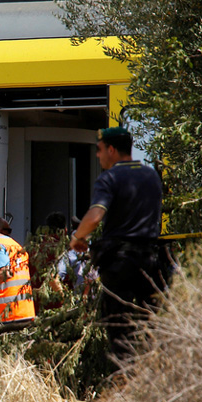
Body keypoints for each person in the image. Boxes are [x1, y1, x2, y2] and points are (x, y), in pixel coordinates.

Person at [70, 126, 165, 361]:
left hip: (121, 262)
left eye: (100, 149)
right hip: (152, 259)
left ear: (111, 149)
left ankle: (127, 373)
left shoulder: (109, 177)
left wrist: (78, 238)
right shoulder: (151, 175)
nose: (97, 155)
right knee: (153, 323)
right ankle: (155, 368)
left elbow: (95, 217)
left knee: (118, 325)